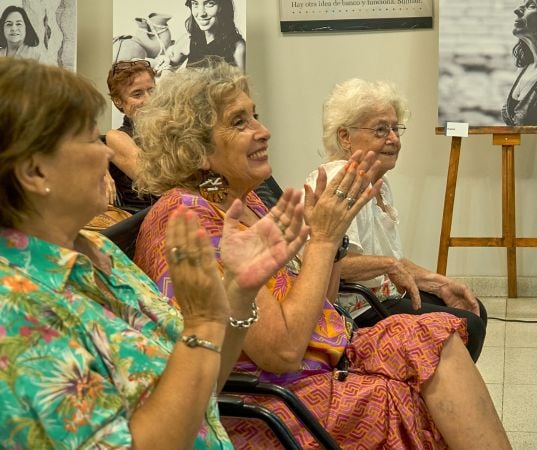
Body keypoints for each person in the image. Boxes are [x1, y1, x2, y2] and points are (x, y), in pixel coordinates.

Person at [132, 62, 511, 450]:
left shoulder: (245, 204)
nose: (264, 131)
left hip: (325, 357)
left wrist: (329, 245)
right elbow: (282, 352)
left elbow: (321, 306)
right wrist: (324, 241)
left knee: (434, 336)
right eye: (240, 122)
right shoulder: (193, 223)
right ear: (198, 150)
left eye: (256, 116)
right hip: (277, 399)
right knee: (421, 388)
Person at [0, 57, 308, 448]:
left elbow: (202, 384)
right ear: (35, 172)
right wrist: (203, 323)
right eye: (88, 139)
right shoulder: (16, 312)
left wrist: (238, 292)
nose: (106, 153)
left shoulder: (95, 249)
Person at [308, 78, 489, 362]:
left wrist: (439, 283)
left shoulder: (379, 182)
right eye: (381, 130)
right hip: (354, 310)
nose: (394, 139)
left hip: (380, 297)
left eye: (395, 128)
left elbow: (392, 260)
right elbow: (331, 263)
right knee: (469, 325)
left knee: (472, 307)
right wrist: (388, 265)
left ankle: (430, 396)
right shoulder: (339, 181)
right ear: (345, 136)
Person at [105, 59, 159, 213]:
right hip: (144, 224)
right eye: (137, 94)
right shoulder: (116, 137)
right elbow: (156, 183)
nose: (148, 100)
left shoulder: (170, 129)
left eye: (152, 91)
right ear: (118, 101)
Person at [159, 0, 245, 71]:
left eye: (210, 4)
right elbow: (169, 60)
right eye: (195, 4)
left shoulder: (238, 48)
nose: (201, 13)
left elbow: (242, 87)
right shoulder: (189, 40)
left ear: (222, 6)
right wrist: (166, 63)